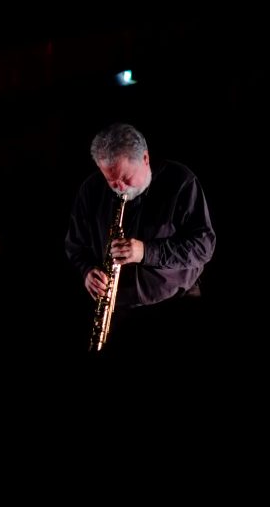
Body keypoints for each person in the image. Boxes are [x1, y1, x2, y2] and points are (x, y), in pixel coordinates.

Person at [64, 123, 216, 370]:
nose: (119, 188)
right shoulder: (91, 189)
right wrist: (86, 271)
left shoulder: (180, 182)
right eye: (110, 180)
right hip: (120, 318)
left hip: (177, 309)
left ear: (145, 158)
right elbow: (75, 245)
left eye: (125, 178)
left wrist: (146, 252)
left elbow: (204, 246)